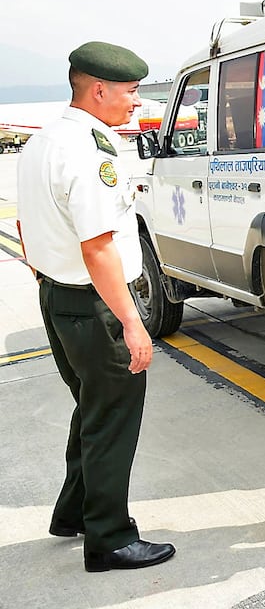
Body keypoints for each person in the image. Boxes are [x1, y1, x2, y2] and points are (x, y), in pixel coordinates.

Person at [17, 41, 175, 571]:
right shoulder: (89, 150)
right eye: (131, 92)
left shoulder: (42, 143)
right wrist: (133, 321)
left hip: (59, 299)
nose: (137, 102)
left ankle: (73, 511)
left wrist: (48, 273)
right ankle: (108, 538)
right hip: (96, 305)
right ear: (100, 89)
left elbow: (27, 224)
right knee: (112, 416)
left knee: (92, 406)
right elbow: (98, 245)